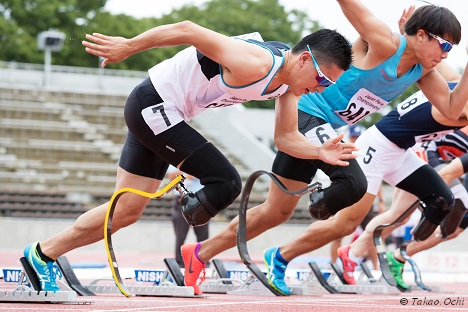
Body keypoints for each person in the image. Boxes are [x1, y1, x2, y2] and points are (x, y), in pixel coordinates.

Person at [22, 21, 356, 293]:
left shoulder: (288, 84)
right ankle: (191, 224)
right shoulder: (256, 62)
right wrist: (128, 46)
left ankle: (41, 254)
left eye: (328, 85)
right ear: (303, 60)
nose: (321, 88)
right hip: (154, 105)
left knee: (124, 211)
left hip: (160, 112)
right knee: (225, 182)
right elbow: (187, 29)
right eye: (322, 79)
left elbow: (284, 138)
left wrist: (318, 152)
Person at [181, 2, 468, 296]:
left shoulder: (422, 72)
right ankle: (320, 204)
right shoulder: (385, 42)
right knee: (353, 182)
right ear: (421, 35)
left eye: (452, 49)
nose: (446, 55)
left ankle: (198, 254)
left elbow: (451, 107)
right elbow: (351, 8)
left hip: (324, 127)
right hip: (306, 112)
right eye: (444, 45)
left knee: (276, 212)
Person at [342, 128, 468, 290]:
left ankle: (353, 254)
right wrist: (435, 207)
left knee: (399, 216)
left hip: (423, 151)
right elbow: (446, 174)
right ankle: (355, 253)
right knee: (460, 203)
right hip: (423, 153)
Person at [329, 124, 385, 269]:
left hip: (366, 199)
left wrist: (381, 201)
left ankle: (376, 268)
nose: (355, 139)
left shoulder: (369, 152)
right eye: (353, 136)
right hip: (347, 198)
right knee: (337, 233)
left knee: (372, 235)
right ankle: (334, 265)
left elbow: (376, 179)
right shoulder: (344, 151)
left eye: (358, 136)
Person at [167, 166, 208, 268]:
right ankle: (179, 262)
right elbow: (171, 176)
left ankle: (203, 261)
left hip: (201, 199)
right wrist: (187, 173)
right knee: (180, 235)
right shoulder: (174, 160)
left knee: (203, 235)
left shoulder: (202, 159)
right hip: (181, 199)